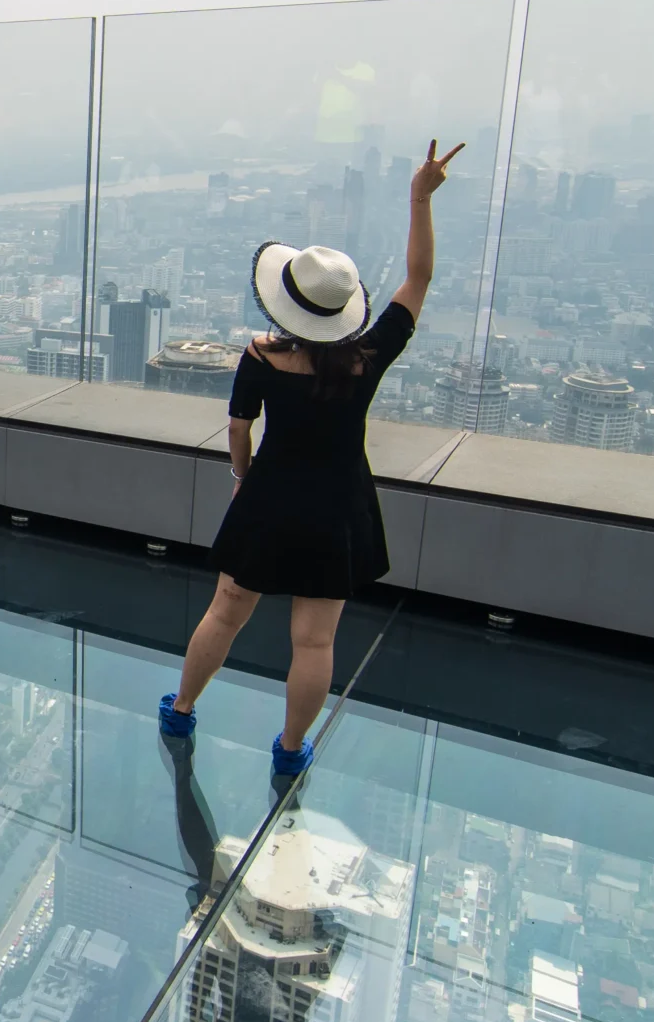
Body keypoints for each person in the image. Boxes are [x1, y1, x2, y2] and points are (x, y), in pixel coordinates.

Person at [161, 139, 467, 778]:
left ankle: (183, 708)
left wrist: (243, 478)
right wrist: (419, 197)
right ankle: (292, 750)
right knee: (316, 640)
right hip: (339, 505)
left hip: (270, 497)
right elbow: (419, 280)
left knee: (226, 611)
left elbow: (239, 428)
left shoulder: (260, 357)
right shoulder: (367, 357)